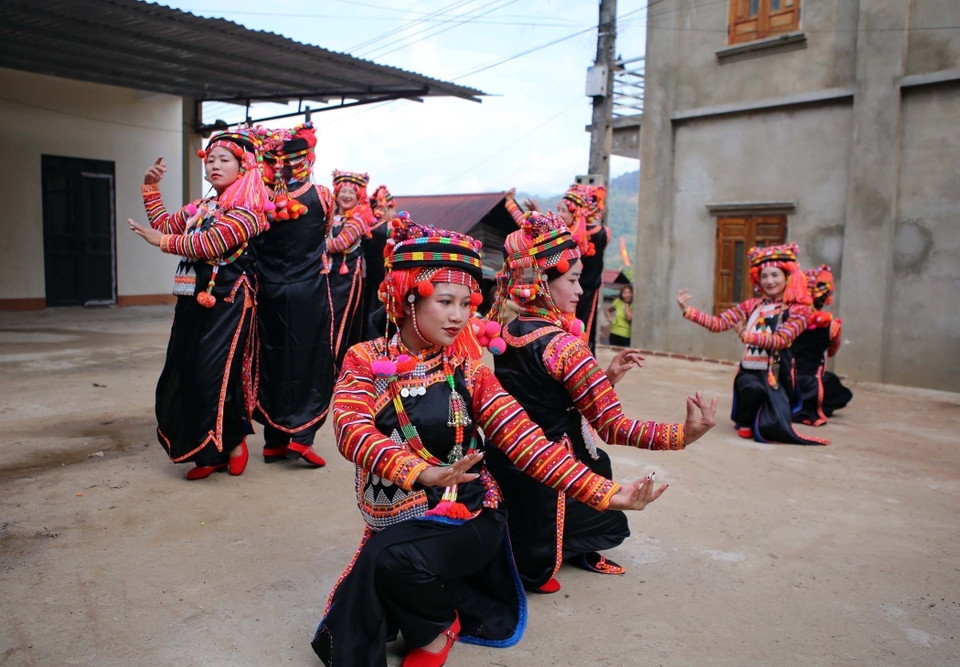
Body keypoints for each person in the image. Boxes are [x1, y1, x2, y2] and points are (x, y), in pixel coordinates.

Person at [311, 213, 670, 667]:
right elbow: (350, 427)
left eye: (466, 302)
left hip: (468, 511)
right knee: (379, 567)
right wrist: (421, 471)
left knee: (388, 563)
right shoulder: (365, 360)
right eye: (445, 301)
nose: (460, 316)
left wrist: (608, 494)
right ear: (406, 300)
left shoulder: (468, 371)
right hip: (395, 512)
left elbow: (526, 441)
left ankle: (439, 628)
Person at [484, 205, 717, 594]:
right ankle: (573, 550)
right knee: (598, 464)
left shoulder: (505, 333)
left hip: (509, 458)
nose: (580, 290)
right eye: (573, 280)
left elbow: (541, 396)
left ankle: (547, 550)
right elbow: (612, 426)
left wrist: (605, 377)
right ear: (541, 282)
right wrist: (684, 435)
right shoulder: (566, 348)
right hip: (557, 463)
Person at [128, 129, 271, 479]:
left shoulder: (249, 210)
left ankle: (234, 441)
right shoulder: (203, 207)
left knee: (216, 373)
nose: (215, 165)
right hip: (193, 299)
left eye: (225, 160)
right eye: (211, 160)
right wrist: (151, 188)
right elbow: (165, 225)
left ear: (244, 166)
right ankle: (207, 454)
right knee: (188, 370)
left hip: (229, 302)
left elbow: (210, 244)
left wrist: (163, 242)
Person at [677, 243, 829, 445]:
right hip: (749, 368)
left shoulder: (799, 310)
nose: (769, 281)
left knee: (775, 423)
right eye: (764, 276)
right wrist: (688, 310)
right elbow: (719, 323)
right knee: (750, 387)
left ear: (787, 277)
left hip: (776, 371)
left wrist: (747, 336)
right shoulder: (752, 305)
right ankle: (746, 420)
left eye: (775, 275)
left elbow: (782, 340)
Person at [251, 123, 334, 467]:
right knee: (310, 359)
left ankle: (274, 441)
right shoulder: (322, 196)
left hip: (266, 290)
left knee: (271, 358)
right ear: (309, 159)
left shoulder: (257, 199)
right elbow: (324, 235)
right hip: (308, 290)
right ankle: (301, 437)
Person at [325, 170, 376, 374]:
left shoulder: (359, 218)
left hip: (346, 278)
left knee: (339, 320)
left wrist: (317, 245)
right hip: (327, 275)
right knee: (325, 318)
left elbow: (340, 243)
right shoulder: (330, 216)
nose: (346, 195)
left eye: (351, 192)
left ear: (359, 196)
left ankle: (335, 366)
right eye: (342, 191)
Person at [791, 264, 853, 425]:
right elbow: (832, 351)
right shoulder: (833, 327)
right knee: (837, 388)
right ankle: (816, 406)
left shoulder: (789, 320)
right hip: (813, 380)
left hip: (787, 380)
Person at [361, 184, 396, 340]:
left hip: (369, 280)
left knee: (368, 313)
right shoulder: (389, 228)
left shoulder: (366, 229)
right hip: (387, 279)